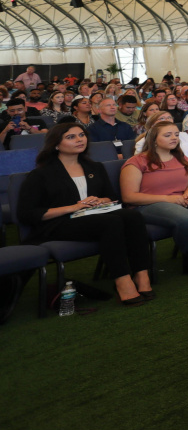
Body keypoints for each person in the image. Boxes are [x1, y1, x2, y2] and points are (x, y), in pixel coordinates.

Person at [17, 122, 154, 305]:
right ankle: (123, 282)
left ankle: (141, 276)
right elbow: (27, 213)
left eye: (81, 135)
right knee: (111, 223)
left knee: (133, 216)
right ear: (56, 144)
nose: (79, 140)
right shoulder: (41, 174)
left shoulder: (95, 167)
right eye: (71, 137)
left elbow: (112, 197)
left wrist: (100, 201)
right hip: (58, 223)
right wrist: (74, 207)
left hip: (92, 216)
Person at [120, 122, 188, 277]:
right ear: (154, 139)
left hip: (178, 200)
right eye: (168, 135)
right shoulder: (137, 161)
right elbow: (129, 196)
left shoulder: (181, 158)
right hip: (147, 205)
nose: (174, 138)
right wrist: (168, 199)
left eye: (176, 134)